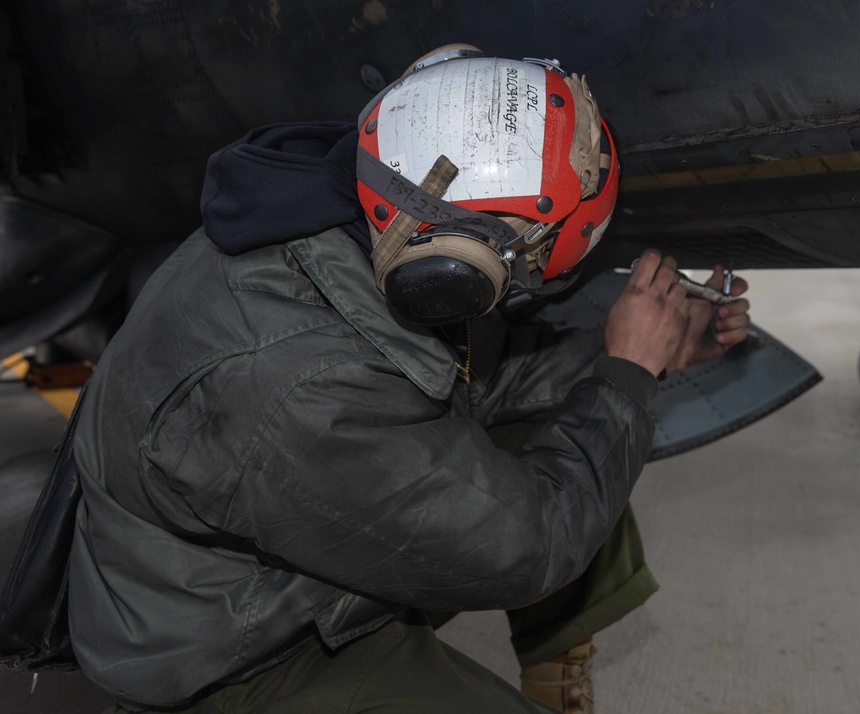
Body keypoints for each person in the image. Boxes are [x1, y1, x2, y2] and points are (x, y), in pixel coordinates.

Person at [67, 47, 750, 713]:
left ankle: (553, 657)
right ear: (458, 262)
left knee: (581, 418)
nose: (530, 276)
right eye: (529, 258)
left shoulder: (350, 221)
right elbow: (533, 547)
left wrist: (640, 351)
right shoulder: (302, 388)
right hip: (235, 655)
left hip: (289, 553)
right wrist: (627, 375)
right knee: (589, 451)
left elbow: (478, 380)